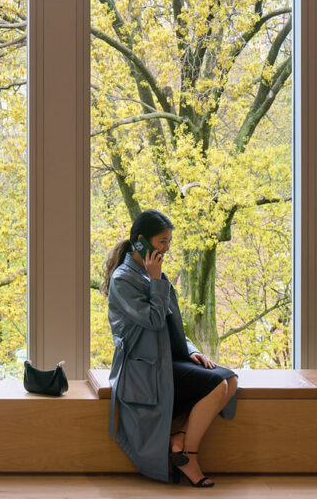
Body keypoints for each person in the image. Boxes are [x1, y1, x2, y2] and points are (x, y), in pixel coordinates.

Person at [103, 209, 239, 487]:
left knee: (230, 379)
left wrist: (189, 349)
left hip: (167, 358)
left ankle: (179, 439)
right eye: (162, 241)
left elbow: (173, 323)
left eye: (168, 241)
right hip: (144, 369)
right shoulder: (123, 279)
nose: (167, 247)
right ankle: (189, 457)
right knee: (217, 385)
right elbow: (153, 321)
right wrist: (155, 279)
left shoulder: (155, 275)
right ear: (141, 241)